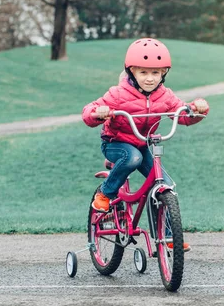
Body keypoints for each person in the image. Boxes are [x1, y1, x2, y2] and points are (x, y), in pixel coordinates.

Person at [82, 38, 209, 251]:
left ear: (163, 74)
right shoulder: (118, 94)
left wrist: (197, 109)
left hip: (142, 144)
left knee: (166, 184)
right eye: (143, 73)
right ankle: (105, 193)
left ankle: (169, 237)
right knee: (133, 158)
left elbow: (183, 114)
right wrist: (98, 113)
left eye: (155, 73)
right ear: (131, 72)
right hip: (115, 143)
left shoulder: (164, 95)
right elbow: (89, 112)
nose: (150, 79)